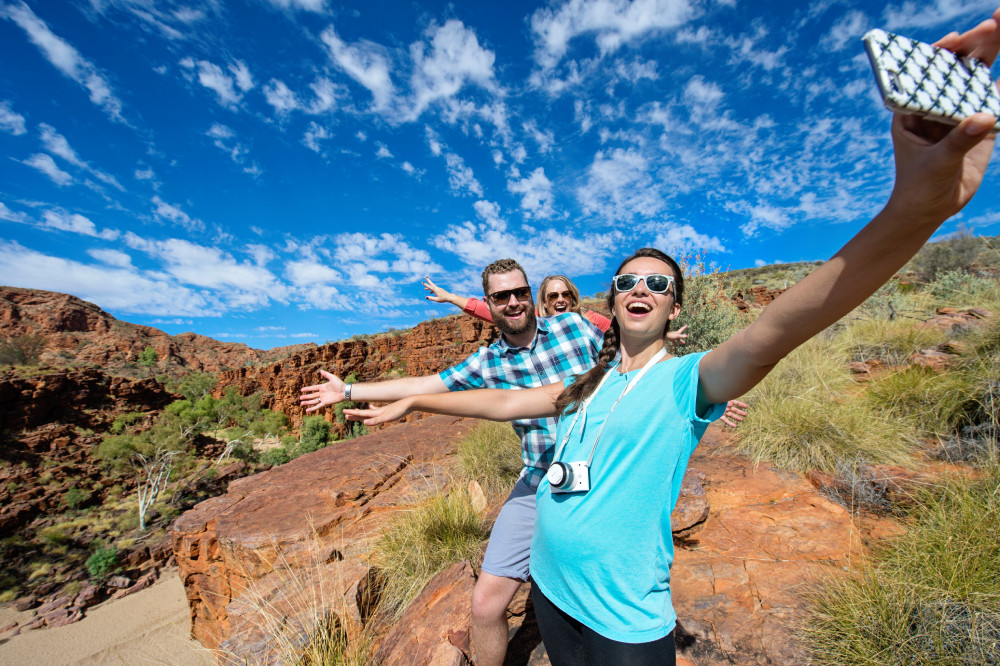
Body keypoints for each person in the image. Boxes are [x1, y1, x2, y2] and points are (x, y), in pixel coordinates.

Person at [341, 10, 999, 664]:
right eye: (628, 279)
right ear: (613, 297)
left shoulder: (686, 382)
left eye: (658, 285)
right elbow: (501, 401)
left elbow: (782, 325)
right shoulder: (589, 384)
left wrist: (916, 208)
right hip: (551, 596)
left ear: (674, 305)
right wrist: (412, 400)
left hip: (624, 624)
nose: (640, 289)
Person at [301, 258, 747, 666]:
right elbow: (430, 383)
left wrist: (699, 389)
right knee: (486, 604)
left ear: (530, 295)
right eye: (500, 297)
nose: (513, 302)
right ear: (488, 306)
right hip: (539, 481)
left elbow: (634, 354)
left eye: (520, 292)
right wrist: (350, 391)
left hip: (604, 477)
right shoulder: (487, 362)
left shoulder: (574, 326)